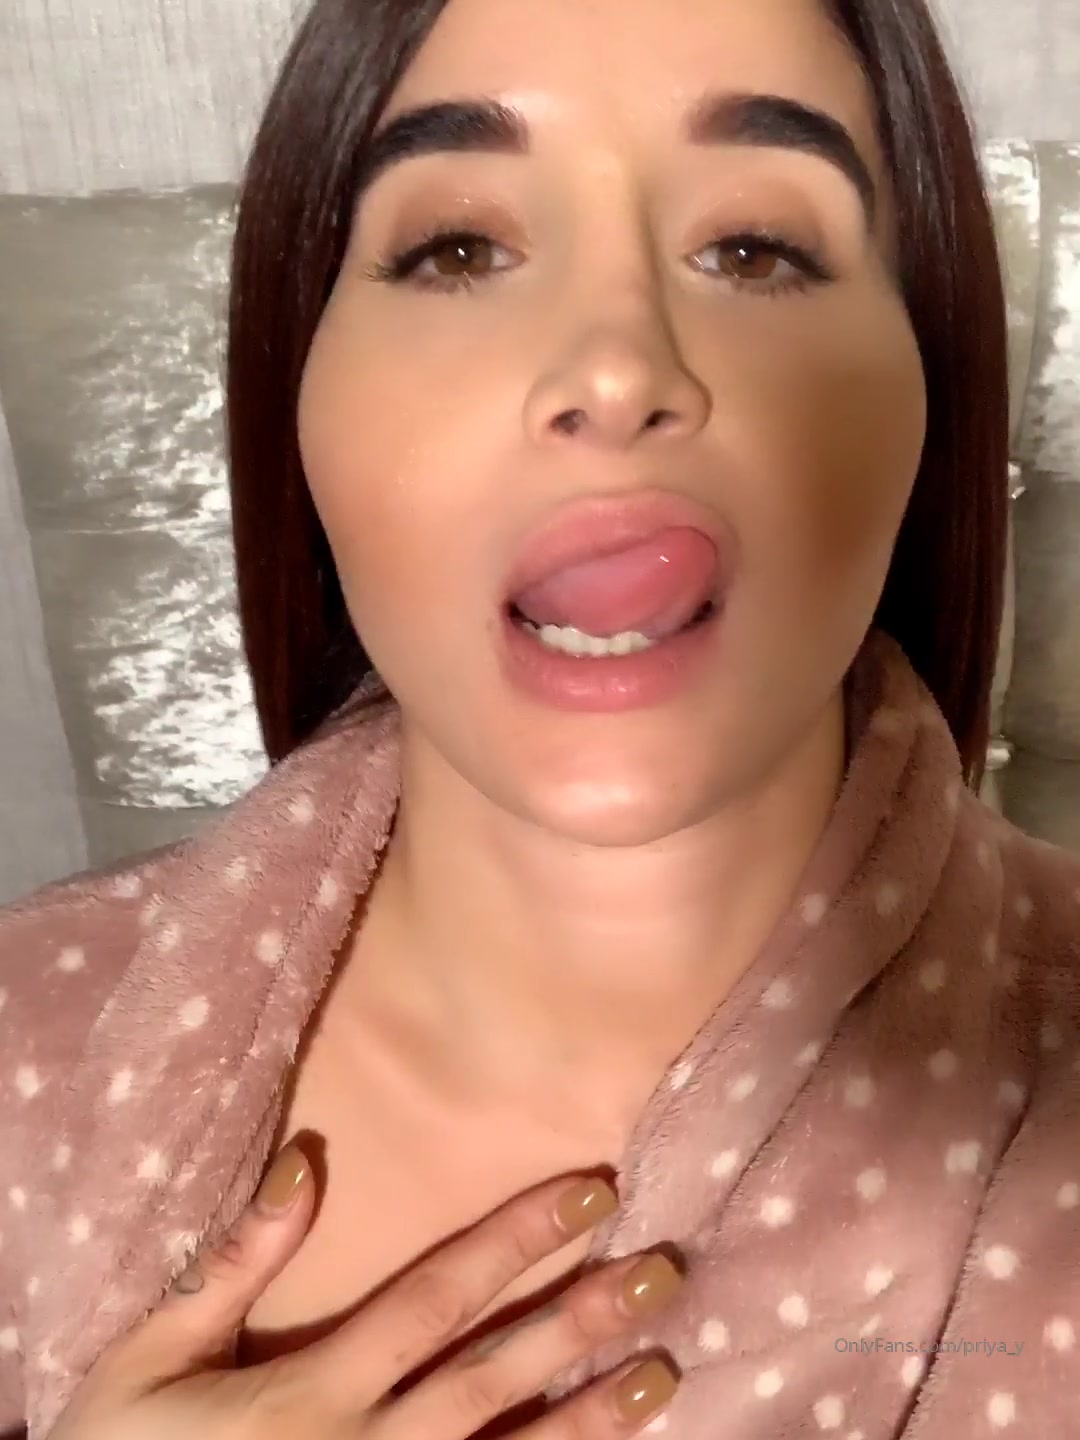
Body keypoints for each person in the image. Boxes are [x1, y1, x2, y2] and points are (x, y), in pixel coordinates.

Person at [1, 0, 1078, 1436]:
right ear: (297, 391)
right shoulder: (27, 1033)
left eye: (756, 248)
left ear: (930, 398)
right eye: (459, 249)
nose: (618, 370)